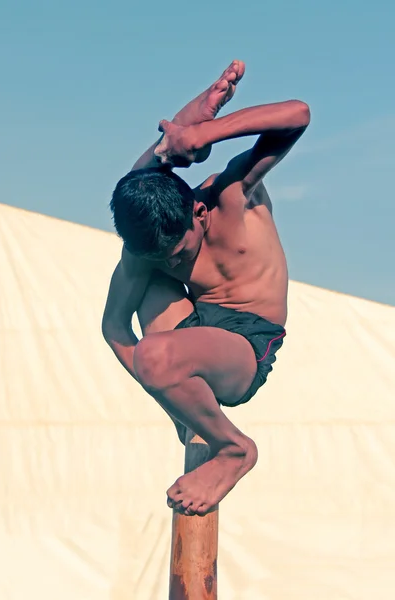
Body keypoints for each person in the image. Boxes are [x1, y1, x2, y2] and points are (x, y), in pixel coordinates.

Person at [102, 60, 310, 516]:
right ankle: (175, 140)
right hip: (189, 334)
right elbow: (115, 325)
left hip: (244, 342)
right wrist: (165, 394)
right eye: (164, 257)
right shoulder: (149, 246)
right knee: (144, 182)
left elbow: (298, 114)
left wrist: (203, 136)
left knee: (154, 356)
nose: (175, 262)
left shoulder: (234, 196)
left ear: (199, 212)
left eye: (179, 252)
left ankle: (234, 448)